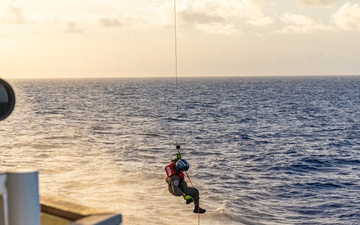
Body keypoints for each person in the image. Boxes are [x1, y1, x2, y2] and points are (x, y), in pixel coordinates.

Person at [165, 146, 206, 213]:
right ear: (180, 169)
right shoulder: (175, 178)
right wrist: (184, 195)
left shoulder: (173, 166)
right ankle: (196, 208)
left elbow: (173, 161)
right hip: (176, 190)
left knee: (184, 183)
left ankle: (188, 199)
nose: (184, 171)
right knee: (195, 192)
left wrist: (178, 157)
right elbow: (175, 189)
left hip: (177, 186)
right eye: (183, 170)